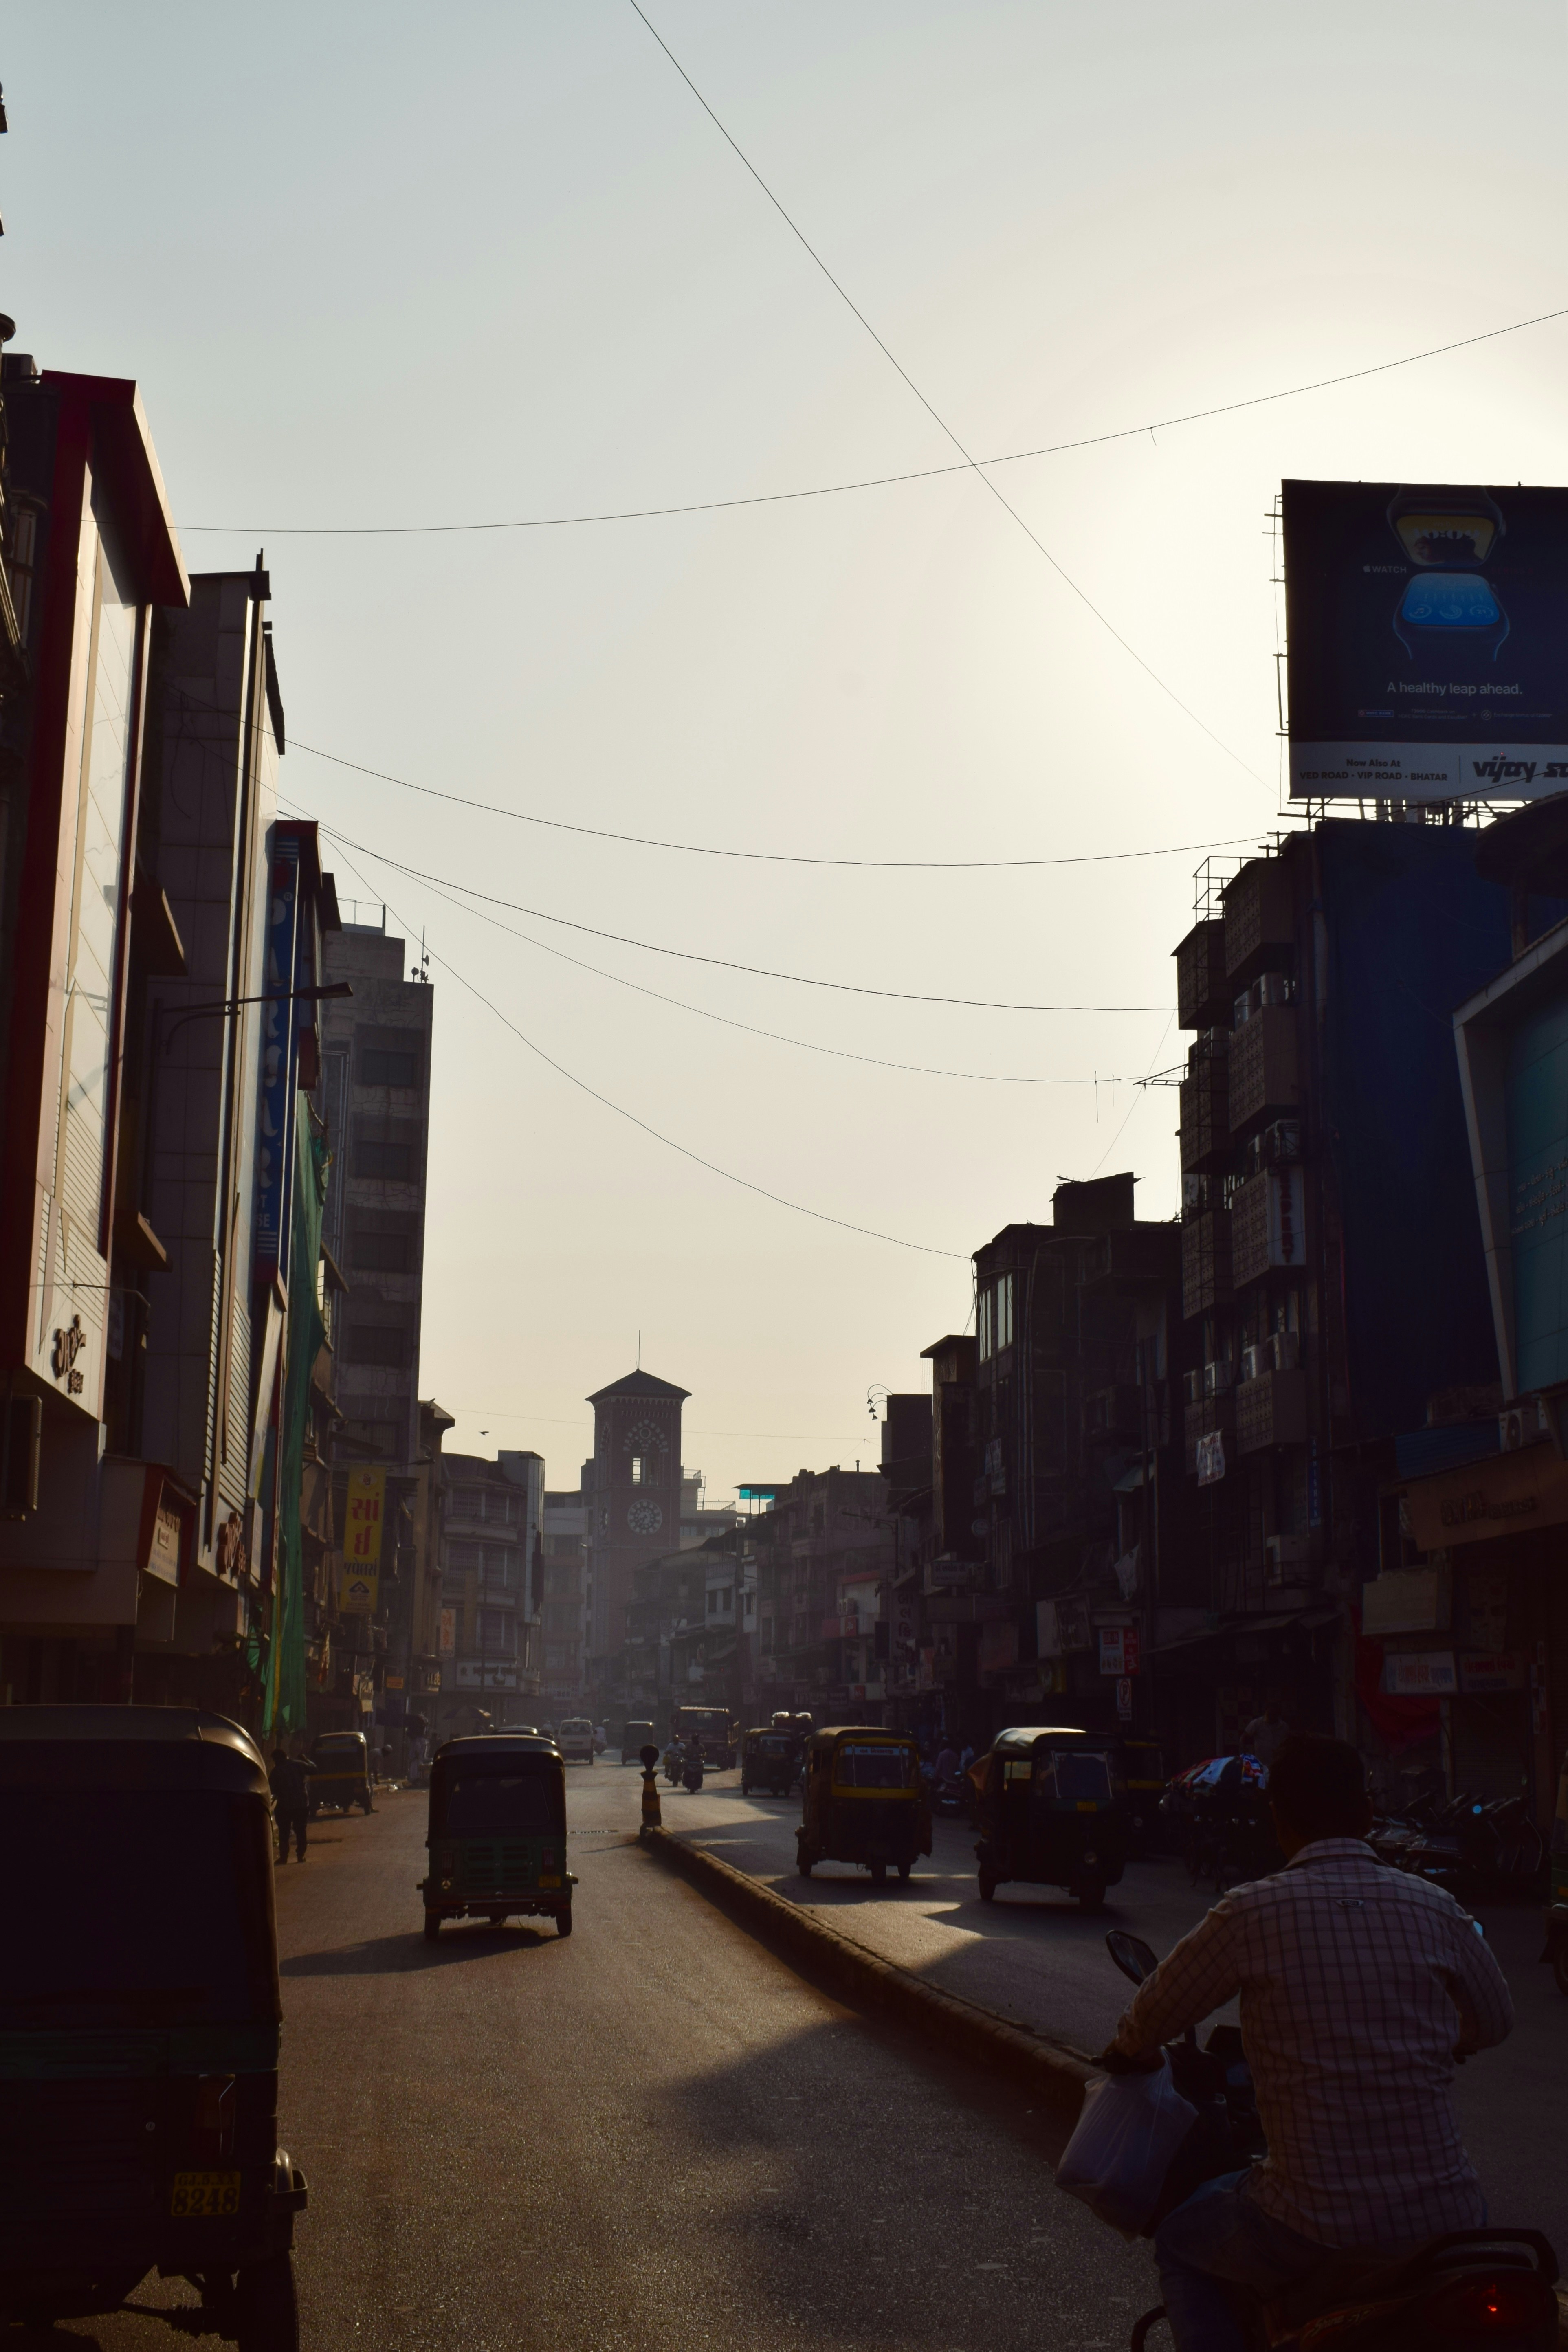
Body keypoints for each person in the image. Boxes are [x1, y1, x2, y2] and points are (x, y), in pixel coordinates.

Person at [1102, 1734, 1513, 2352]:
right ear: (1369, 1813)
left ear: (1278, 1821)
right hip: (1450, 2218)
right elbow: (1495, 2021)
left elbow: (1150, 2014)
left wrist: (1130, 2053)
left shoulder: (1249, 1911)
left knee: (1181, 2242)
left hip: (1312, 2223)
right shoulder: (1435, 1906)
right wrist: (1435, 2037)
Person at [270, 1745, 310, 1864]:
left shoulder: (277, 1771)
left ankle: (284, 1857)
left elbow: (272, 1789)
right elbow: (314, 1769)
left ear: (277, 1759)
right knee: (301, 1831)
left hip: (285, 1806)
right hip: (301, 1805)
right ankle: (301, 1856)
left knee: (284, 1833)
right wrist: (305, 1759)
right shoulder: (299, 1765)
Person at [1243, 1698, 1289, 1769]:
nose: (1272, 1714)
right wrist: (1245, 1756)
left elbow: (1287, 1744)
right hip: (1260, 1764)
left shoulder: (1284, 1726)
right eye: (1270, 1711)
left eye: (1274, 1712)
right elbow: (1244, 1738)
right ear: (1266, 1711)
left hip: (1278, 1764)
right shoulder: (1257, 1723)